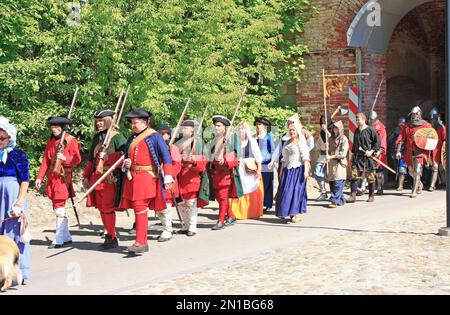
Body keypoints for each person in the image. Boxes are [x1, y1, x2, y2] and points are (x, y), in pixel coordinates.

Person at [117, 108, 174, 254]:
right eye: (132, 123)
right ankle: (142, 242)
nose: (133, 125)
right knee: (138, 209)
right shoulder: (131, 137)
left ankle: (140, 242)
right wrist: (126, 163)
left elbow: (166, 157)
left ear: (144, 123)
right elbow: (126, 156)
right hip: (133, 177)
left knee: (140, 208)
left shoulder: (154, 136)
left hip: (147, 177)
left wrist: (168, 176)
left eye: (135, 122)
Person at [82, 109, 127, 250]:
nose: (99, 123)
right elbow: (90, 159)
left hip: (110, 178)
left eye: (102, 120)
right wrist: (86, 176)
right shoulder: (97, 138)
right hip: (97, 176)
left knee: (107, 208)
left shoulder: (118, 137)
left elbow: (124, 156)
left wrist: (108, 157)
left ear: (109, 121)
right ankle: (108, 234)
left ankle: (112, 237)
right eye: (97, 121)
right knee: (101, 208)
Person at [35, 116, 81, 249]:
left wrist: (65, 158)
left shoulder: (70, 140)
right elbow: (45, 160)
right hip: (52, 177)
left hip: (63, 177)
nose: (54, 129)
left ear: (62, 128)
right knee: (57, 207)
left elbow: (77, 159)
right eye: (52, 127)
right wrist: (39, 177)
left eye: (56, 127)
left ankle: (59, 238)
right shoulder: (51, 140)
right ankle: (66, 236)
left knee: (60, 206)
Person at [0, 117, 30, 283]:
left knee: (13, 234)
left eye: (2, 138)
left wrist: (19, 201)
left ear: (10, 138)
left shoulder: (18, 155)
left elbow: (25, 180)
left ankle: (18, 272)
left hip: (12, 195)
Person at [207, 115, 243, 230]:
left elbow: (237, 155)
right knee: (219, 197)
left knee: (223, 197)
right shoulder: (215, 139)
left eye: (219, 126)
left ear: (224, 127)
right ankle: (231, 216)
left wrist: (225, 160)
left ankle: (221, 220)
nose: (216, 128)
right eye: (215, 126)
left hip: (226, 172)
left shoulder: (232, 138)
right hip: (216, 173)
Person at [272, 119, 310, 223]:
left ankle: (295, 214)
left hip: (298, 170)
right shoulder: (286, 143)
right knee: (286, 192)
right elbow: (283, 158)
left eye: (293, 130)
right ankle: (287, 212)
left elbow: (305, 157)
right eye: (290, 130)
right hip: (287, 170)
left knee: (296, 192)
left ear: (297, 131)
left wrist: (306, 171)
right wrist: (281, 172)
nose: (292, 132)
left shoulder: (301, 142)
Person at [175, 119, 209, 237]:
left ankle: (192, 226)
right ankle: (185, 225)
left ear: (192, 129)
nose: (184, 129)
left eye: (186, 128)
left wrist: (195, 160)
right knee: (181, 204)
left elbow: (204, 160)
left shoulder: (198, 142)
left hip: (191, 176)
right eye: (183, 128)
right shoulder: (179, 142)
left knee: (191, 203)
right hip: (179, 175)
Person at [395, 106, 433, 198]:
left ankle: (414, 191)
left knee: (417, 171)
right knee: (411, 172)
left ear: (419, 114)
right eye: (412, 114)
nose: (413, 116)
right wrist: (399, 151)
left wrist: (427, 152)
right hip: (409, 151)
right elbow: (401, 138)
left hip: (420, 152)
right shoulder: (407, 126)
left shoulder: (426, 125)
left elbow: (431, 138)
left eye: (415, 114)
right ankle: (419, 183)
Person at [230, 122, 264, 219]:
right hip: (238, 168)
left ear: (247, 130)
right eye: (240, 128)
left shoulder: (252, 141)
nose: (241, 130)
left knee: (249, 188)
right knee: (239, 188)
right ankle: (237, 212)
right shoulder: (234, 142)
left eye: (243, 128)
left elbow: (258, 157)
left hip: (249, 169)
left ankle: (250, 212)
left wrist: (259, 170)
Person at [155, 124, 182, 242]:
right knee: (158, 208)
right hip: (155, 179)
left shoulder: (173, 149)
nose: (162, 136)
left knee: (166, 207)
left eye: (164, 134)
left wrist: (168, 175)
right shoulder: (155, 147)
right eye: (160, 134)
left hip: (167, 179)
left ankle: (168, 230)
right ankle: (165, 227)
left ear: (169, 135)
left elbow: (177, 165)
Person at [347, 113, 381, 203]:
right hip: (358, 158)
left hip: (368, 158)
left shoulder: (370, 130)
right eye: (356, 120)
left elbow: (377, 143)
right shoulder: (357, 130)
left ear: (364, 119)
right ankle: (352, 196)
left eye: (358, 120)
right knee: (354, 176)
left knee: (370, 177)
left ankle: (371, 196)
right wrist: (352, 154)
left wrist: (371, 151)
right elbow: (355, 144)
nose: (357, 121)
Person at [326, 121, 349, 208]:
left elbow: (343, 154)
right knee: (332, 182)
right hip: (332, 164)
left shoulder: (344, 139)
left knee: (338, 182)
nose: (335, 130)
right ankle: (340, 200)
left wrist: (332, 156)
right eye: (334, 128)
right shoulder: (330, 139)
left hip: (340, 163)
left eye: (336, 128)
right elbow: (329, 151)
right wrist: (327, 147)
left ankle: (334, 201)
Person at [254, 117, 275, 212]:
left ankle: (268, 203)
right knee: (257, 184)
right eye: (257, 124)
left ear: (264, 126)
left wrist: (272, 161)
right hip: (256, 164)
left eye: (260, 124)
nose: (258, 126)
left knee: (267, 184)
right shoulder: (254, 137)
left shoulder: (269, 136)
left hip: (267, 163)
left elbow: (273, 150)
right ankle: (258, 203)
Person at [313, 115, 332, 201]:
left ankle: (334, 193)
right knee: (317, 173)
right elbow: (318, 145)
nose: (324, 122)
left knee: (331, 176)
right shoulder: (321, 132)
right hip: (322, 156)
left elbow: (333, 140)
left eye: (325, 120)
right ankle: (323, 192)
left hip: (331, 156)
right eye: (322, 120)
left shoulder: (333, 129)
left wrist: (326, 131)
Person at [370, 111, 387, 195]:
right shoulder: (369, 127)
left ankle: (380, 188)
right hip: (369, 152)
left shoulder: (381, 128)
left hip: (378, 152)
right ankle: (367, 188)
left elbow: (382, 141)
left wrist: (379, 151)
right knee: (368, 170)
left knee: (379, 172)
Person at [429, 108, 446, 191]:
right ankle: (436, 182)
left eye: (434, 117)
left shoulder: (440, 127)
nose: (432, 118)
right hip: (429, 149)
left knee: (436, 167)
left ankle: (432, 185)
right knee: (429, 167)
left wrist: (442, 126)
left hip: (437, 149)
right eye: (432, 117)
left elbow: (444, 137)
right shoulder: (428, 126)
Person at [389, 117, 408, 191]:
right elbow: (390, 140)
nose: (401, 125)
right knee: (396, 168)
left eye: (402, 123)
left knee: (402, 168)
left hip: (404, 152)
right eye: (400, 123)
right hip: (395, 151)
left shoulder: (406, 130)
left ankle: (401, 185)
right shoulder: (395, 131)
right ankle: (399, 183)